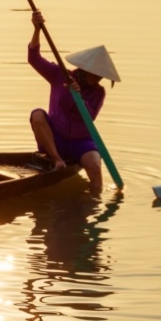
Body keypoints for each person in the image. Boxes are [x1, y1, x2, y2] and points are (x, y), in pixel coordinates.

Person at [25, 11, 119, 193]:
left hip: (80, 142)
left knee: (94, 165)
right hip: (56, 139)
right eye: (96, 74)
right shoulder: (60, 74)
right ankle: (57, 160)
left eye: (101, 76)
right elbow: (33, 58)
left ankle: (93, 202)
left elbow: (89, 117)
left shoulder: (98, 92)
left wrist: (79, 96)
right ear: (84, 70)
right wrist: (36, 30)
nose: (99, 79)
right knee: (37, 114)